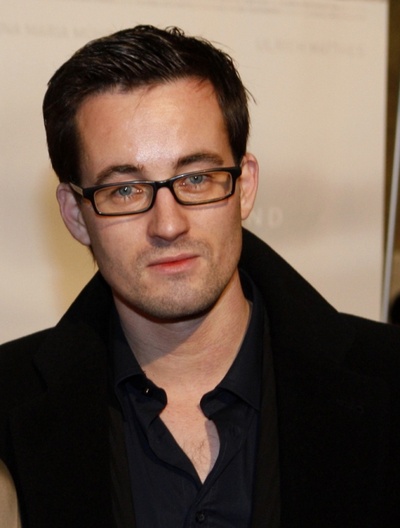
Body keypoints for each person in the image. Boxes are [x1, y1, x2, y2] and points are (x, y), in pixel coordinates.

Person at [0, 25, 399, 528]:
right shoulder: (8, 409)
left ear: (244, 186)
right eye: (125, 190)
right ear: (76, 215)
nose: (168, 225)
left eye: (196, 178)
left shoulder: (389, 379)